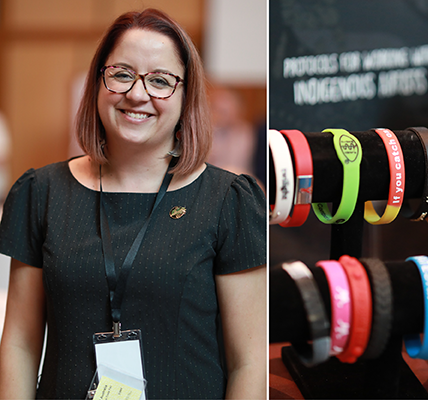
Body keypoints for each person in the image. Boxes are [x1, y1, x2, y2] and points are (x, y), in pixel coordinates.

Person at [0, 9, 266, 399]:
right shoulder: (42, 192)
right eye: (122, 74)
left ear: (186, 96)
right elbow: (20, 347)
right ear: (98, 83)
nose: (137, 93)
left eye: (160, 80)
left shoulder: (227, 201)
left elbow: (250, 362)